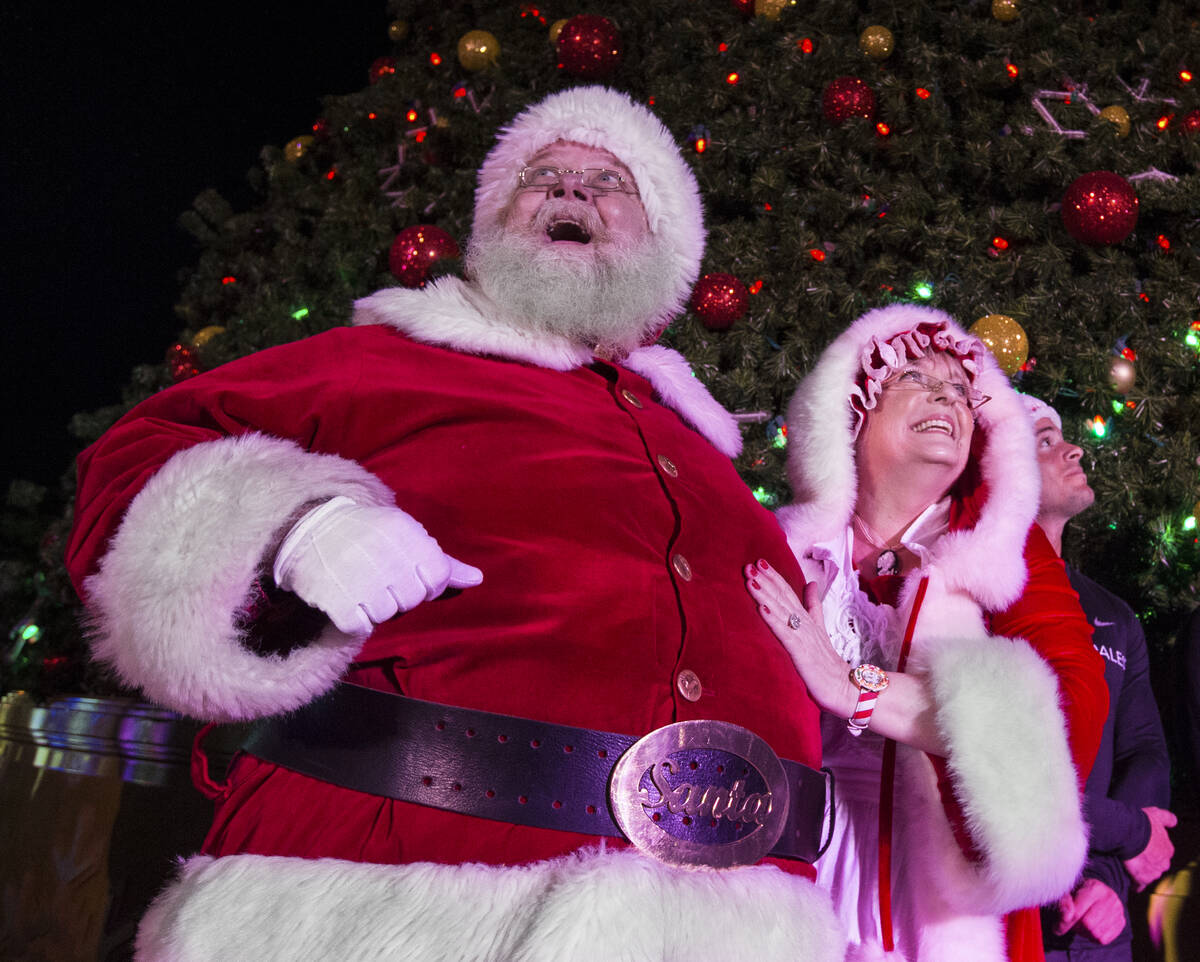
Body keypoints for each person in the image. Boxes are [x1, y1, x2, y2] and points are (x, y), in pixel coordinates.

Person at [64, 86, 843, 960]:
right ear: (494, 222)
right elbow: (135, 460)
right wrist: (297, 527)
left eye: (608, 182)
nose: (570, 191)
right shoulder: (379, 360)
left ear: (668, 246)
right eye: (541, 176)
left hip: (731, 920)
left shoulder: (700, 446)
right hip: (400, 898)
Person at [744, 303, 1109, 961]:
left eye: (965, 391)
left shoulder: (1003, 552)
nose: (948, 394)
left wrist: (851, 684)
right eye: (914, 375)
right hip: (790, 887)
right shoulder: (777, 547)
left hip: (940, 910)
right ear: (849, 412)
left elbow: (1071, 709)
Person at [1024, 396, 1175, 961]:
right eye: (1043, 441)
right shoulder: (974, 597)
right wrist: (1126, 836)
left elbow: (1145, 753)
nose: (1073, 447)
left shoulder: (1114, 612)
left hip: (1101, 921)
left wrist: (1106, 883)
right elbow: (998, 777)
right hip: (1011, 912)